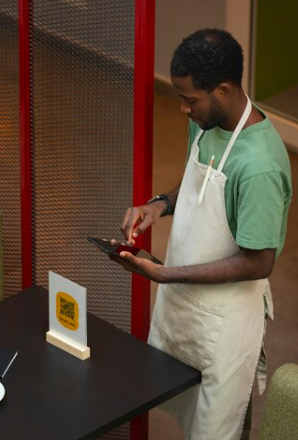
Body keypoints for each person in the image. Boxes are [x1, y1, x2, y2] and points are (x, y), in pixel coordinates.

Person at [113, 29, 292, 439]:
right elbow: (199, 182)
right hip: (186, 310)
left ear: (224, 90)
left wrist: (164, 274)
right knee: (180, 405)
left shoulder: (260, 166)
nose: (181, 109)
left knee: (221, 428)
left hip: (226, 325)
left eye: (190, 99)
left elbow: (258, 261)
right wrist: (158, 204)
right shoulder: (207, 120)